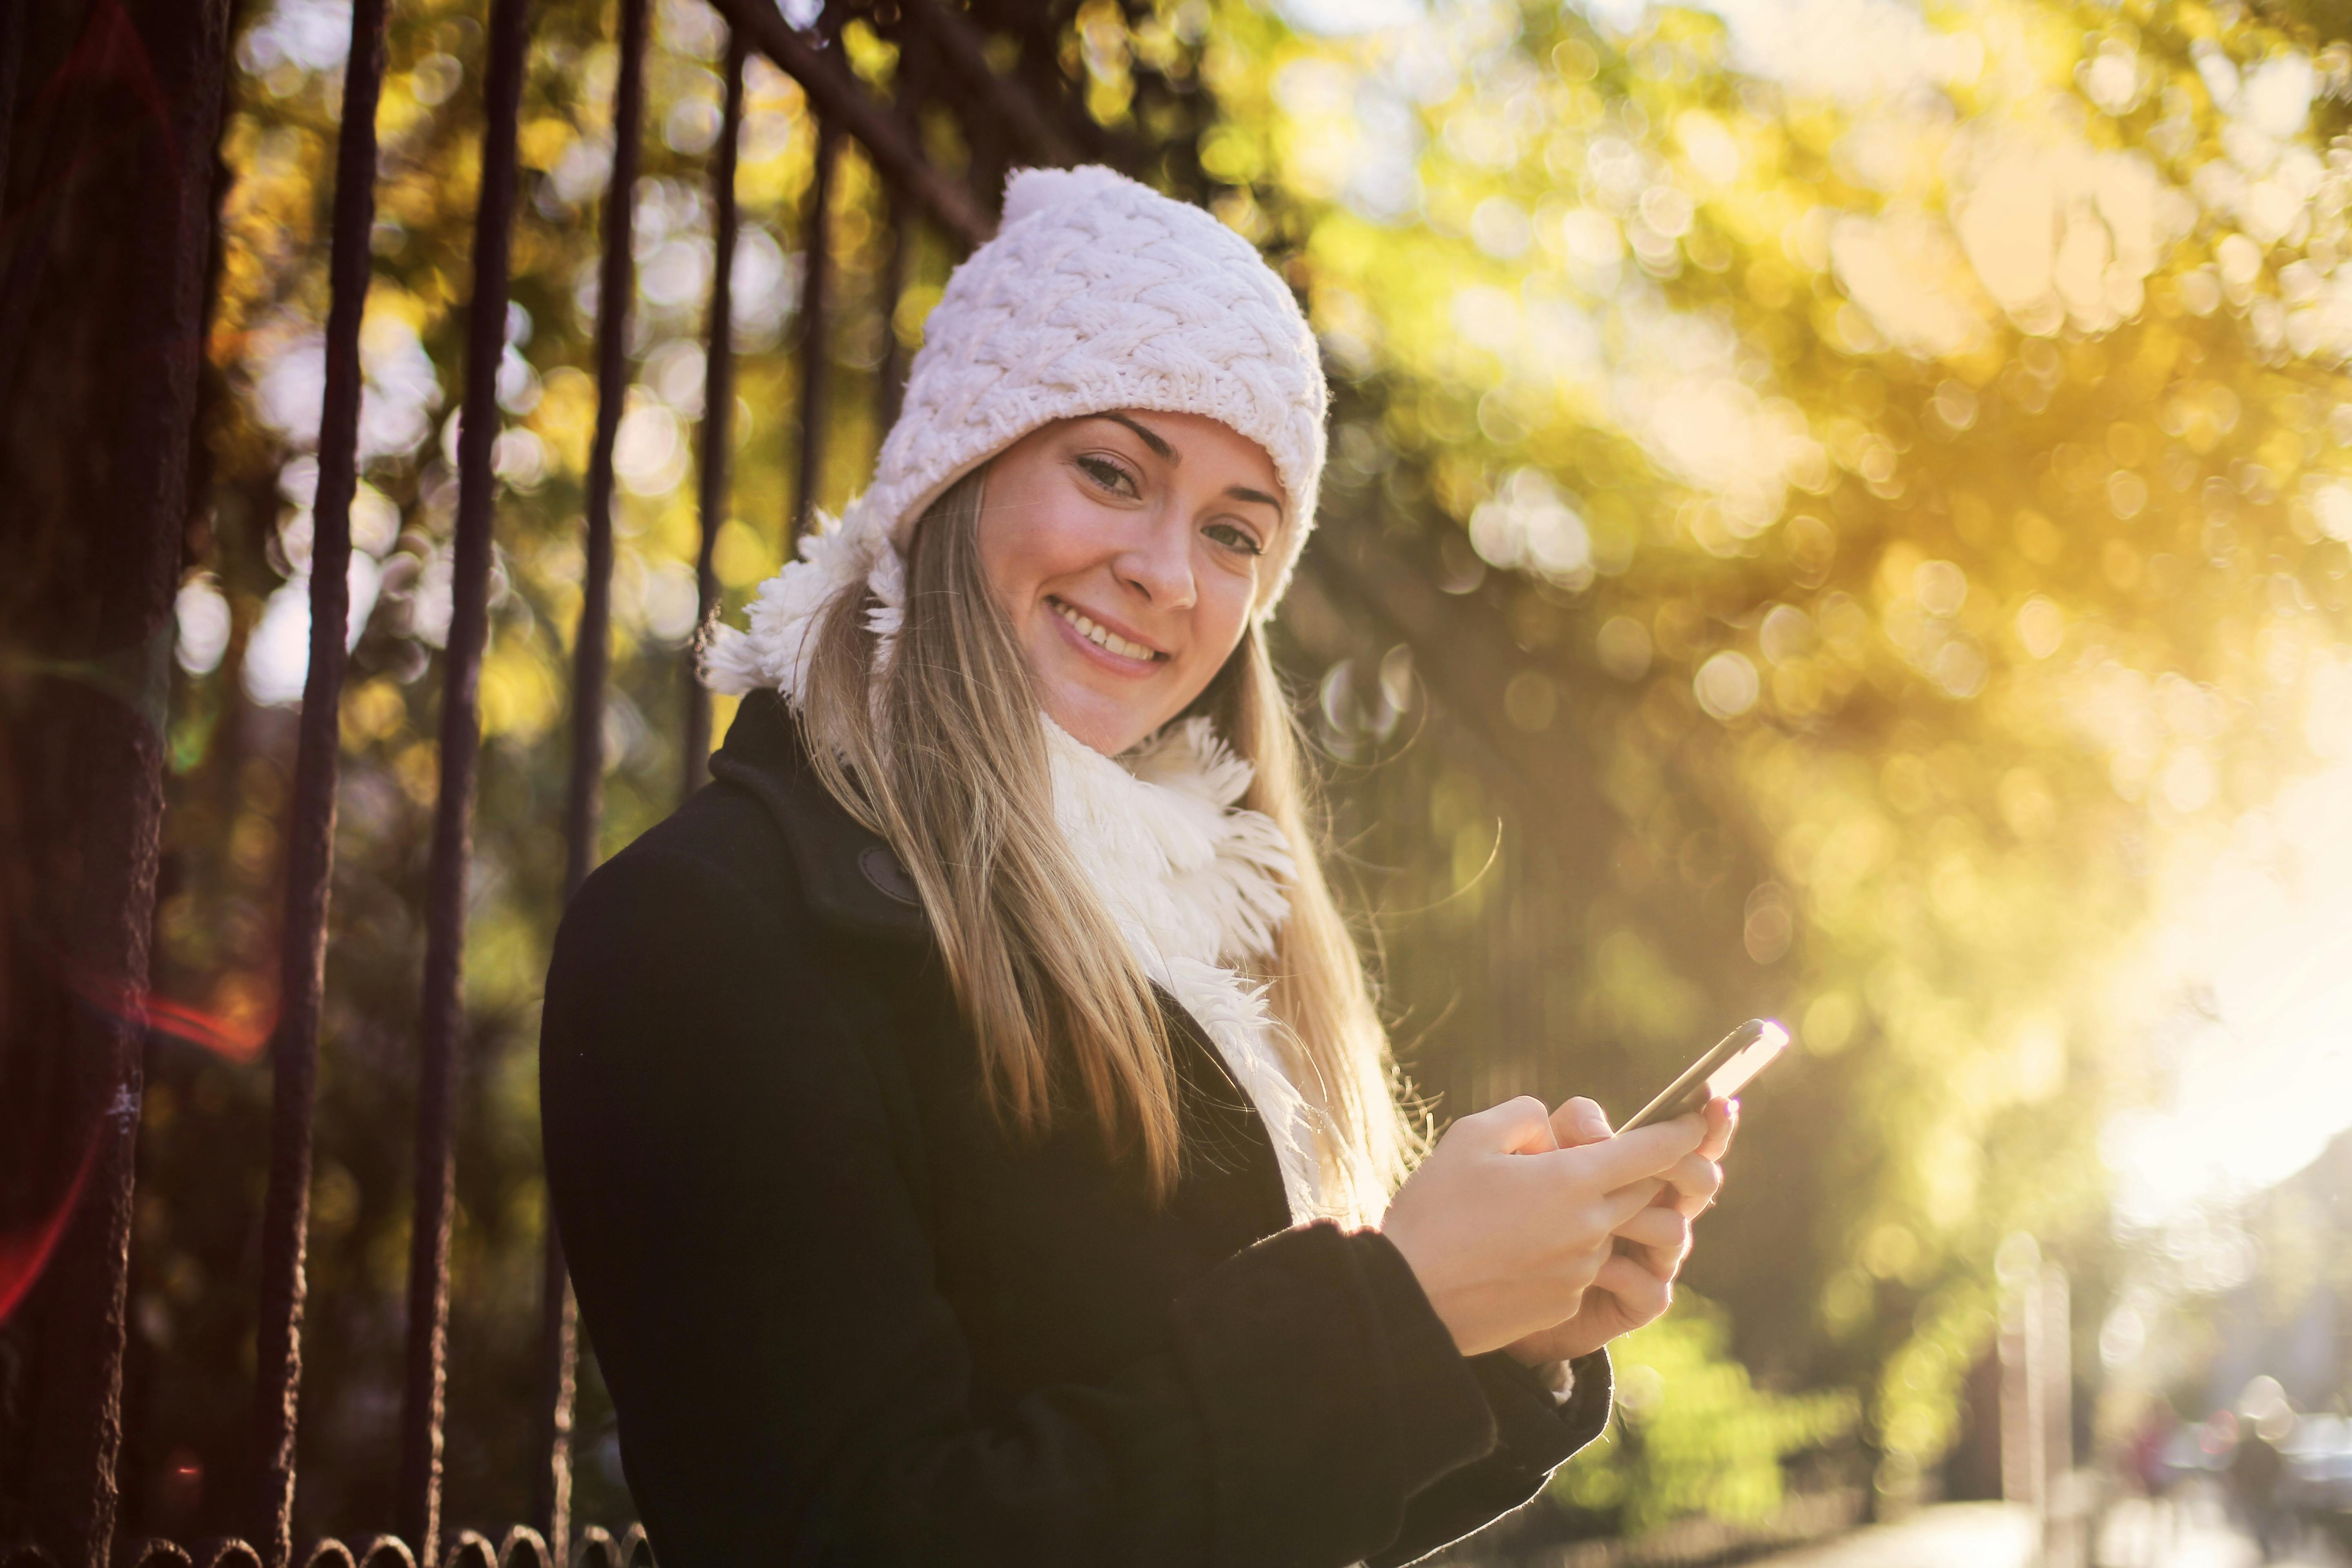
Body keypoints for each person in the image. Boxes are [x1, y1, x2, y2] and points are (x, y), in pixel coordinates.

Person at [539, 164, 1737, 1567]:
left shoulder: (1183, 925)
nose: (1171, 574)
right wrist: (1396, 1307)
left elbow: (1240, 1512)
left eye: (1235, 533)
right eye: (1113, 472)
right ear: (956, 475)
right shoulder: (707, 930)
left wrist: (1489, 1343)